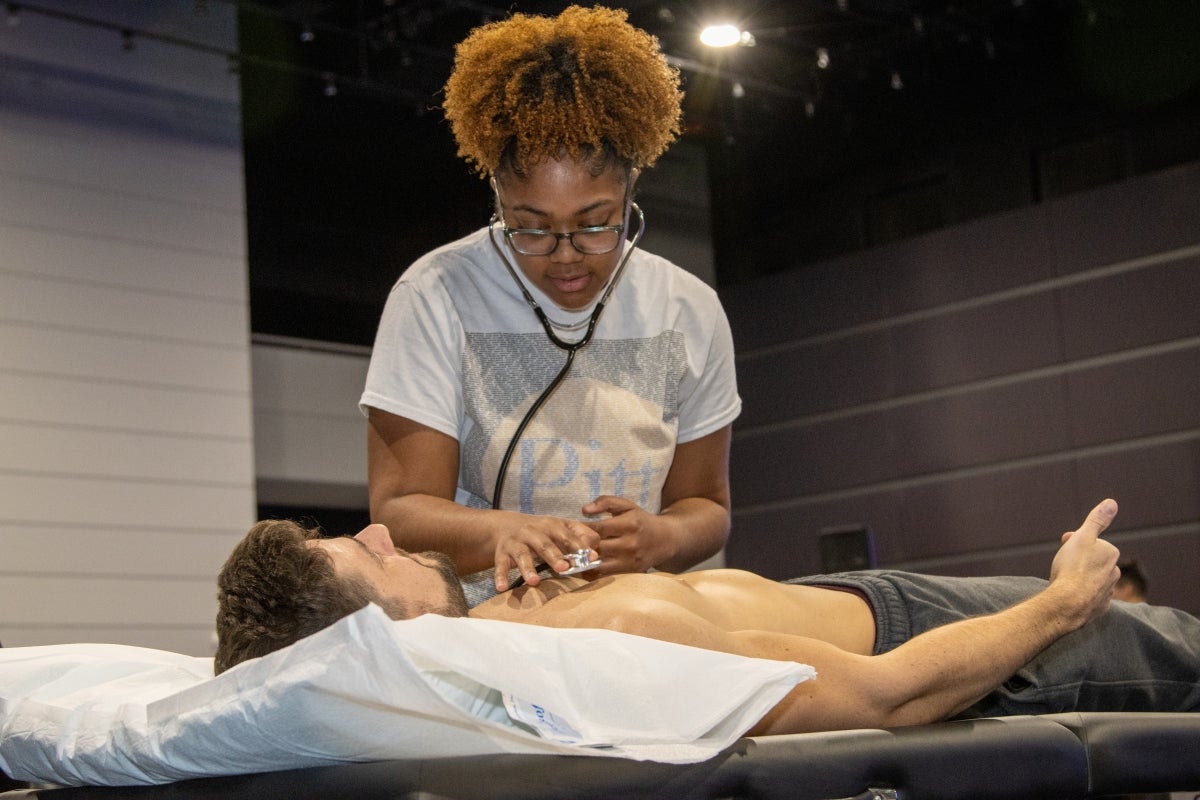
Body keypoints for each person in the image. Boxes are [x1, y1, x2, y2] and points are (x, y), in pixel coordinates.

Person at [215, 498, 1200, 734]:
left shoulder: (512, 638)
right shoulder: (602, 652)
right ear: (379, 633)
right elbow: (894, 697)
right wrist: (1068, 600)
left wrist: (593, 556)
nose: (384, 529)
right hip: (956, 647)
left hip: (899, 606)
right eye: (366, 556)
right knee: (1186, 650)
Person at [360, 5, 740, 606]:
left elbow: (707, 508)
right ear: (498, 199)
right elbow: (399, 512)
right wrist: (505, 530)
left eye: (595, 225)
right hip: (488, 624)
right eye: (530, 228)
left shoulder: (688, 309)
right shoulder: (434, 296)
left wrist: (661, 537)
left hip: (634, 620)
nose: (565, 256)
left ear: (631, 191)